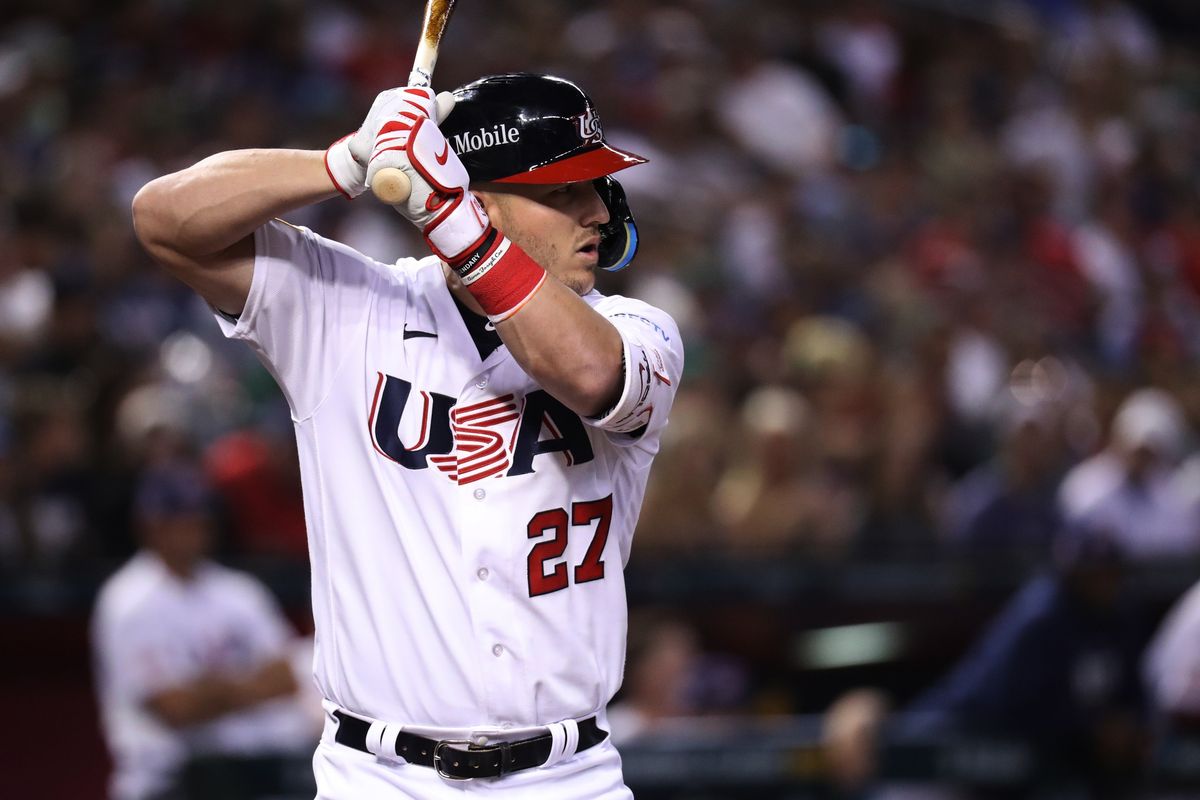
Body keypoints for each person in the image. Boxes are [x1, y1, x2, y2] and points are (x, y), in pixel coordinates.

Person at [131, 72, 683, 799]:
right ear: (481, 197)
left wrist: (454, 221)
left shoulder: (638, 330)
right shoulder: (349, 308)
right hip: (380, 777)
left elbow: (584, 372)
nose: (597, 214)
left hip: (569, 775)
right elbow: (162, 220)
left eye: (595, 187)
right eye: (561, 193)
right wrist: (347, 161)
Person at [91, 462, 320, 800]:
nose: (191, 529)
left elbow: (286, 678)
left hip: (260, 773)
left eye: (197, 518)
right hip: (167, 783)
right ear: (148, 525)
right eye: (177, 519)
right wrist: (250, 684)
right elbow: (176, 709)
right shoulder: (128, 600)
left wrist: (210, 688)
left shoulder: (238, 590)